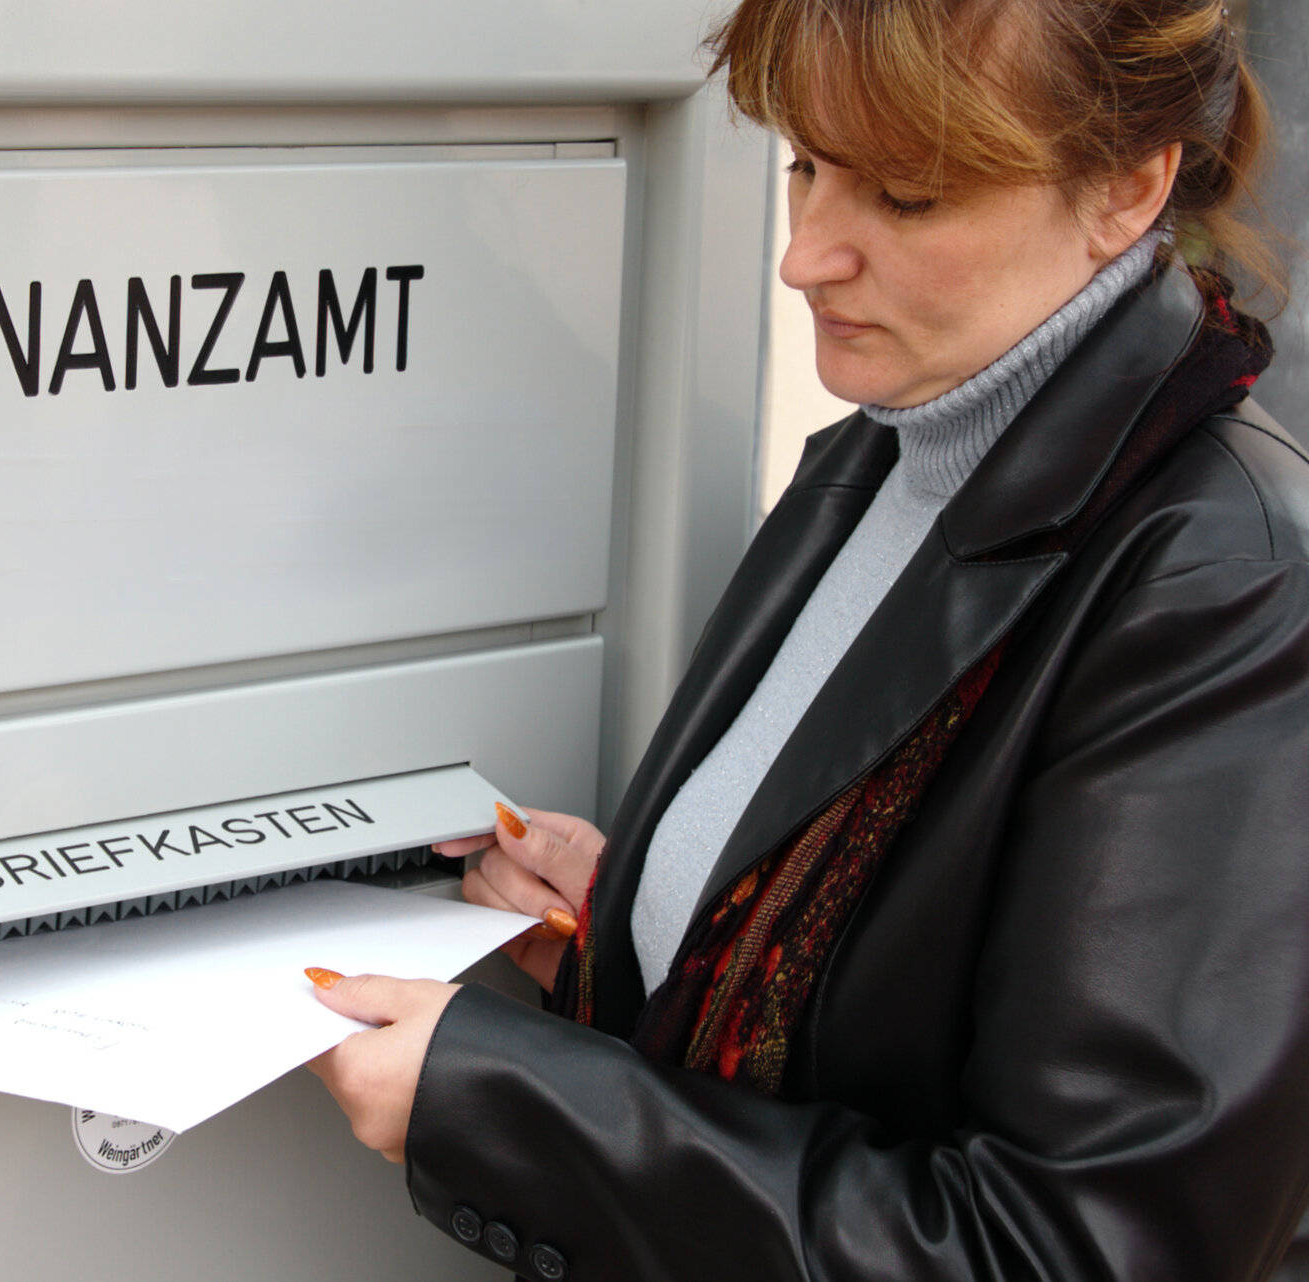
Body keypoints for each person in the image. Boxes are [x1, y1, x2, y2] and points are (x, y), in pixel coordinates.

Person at [305, 0, 1309, 1278]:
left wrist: (508, 1103)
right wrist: (649, 931)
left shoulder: (1227, 584)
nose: (806, 256)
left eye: (906, 195)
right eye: (806, 166)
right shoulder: (894, 448)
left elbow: (1076, 1250)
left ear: (1127, 187)